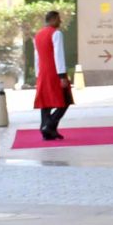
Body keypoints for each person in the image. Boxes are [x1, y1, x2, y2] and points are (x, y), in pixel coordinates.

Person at [33, 10, 72, 140]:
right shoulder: (56, 33)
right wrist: (62, 76)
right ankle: (49, 126)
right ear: (53, 19)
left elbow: (37, 56)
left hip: (43, 72)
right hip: (54, 72)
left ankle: (47, 130)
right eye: (59, 19)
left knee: (46, 102)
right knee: (65, 100)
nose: (60, 21)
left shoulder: (38, 35)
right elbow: (58, 55)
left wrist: (38, 74)